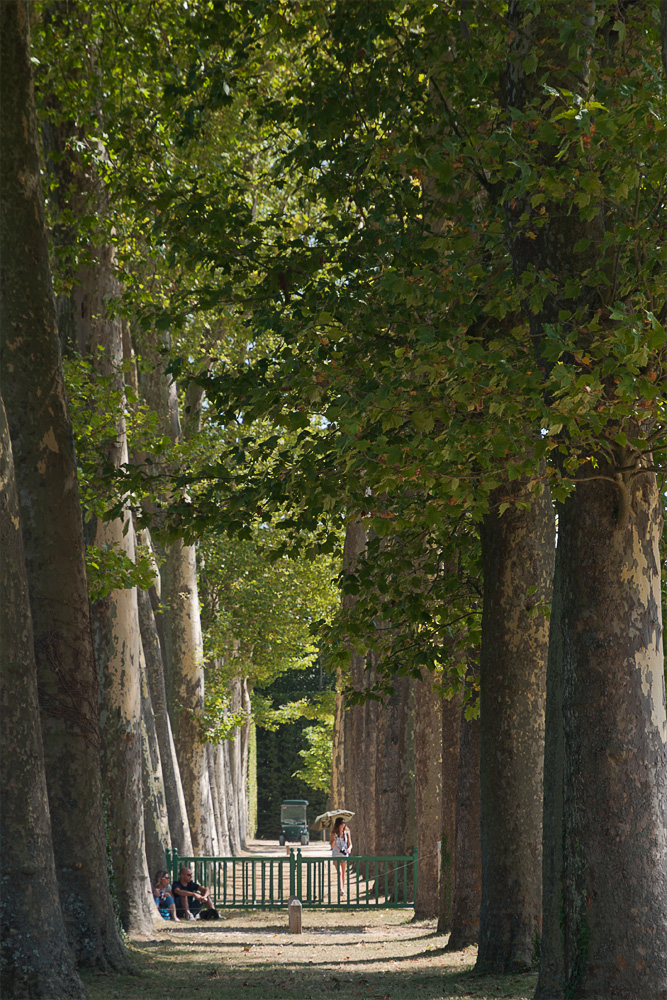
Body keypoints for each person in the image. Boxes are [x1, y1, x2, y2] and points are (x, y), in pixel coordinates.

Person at [330, 817, 352, 896]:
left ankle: (343, 889)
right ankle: (341, 889)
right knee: (339, 872)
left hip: (344, 854)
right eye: (342, 822)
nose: (343, 824)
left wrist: (349, 849)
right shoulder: (333, 833)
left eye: (344, 822)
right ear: (338, 824)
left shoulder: (347, 832)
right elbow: (332, 846)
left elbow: (350, 844)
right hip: (336, 854)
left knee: (343, 872)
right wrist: (334, 839)